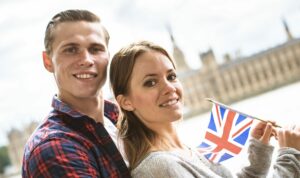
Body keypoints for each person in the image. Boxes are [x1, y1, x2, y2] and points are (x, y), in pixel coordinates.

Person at [109, 40, 300, 178]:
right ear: (126, 102)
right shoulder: (158, 168)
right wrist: (290, 156)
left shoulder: (184, 151)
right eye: (150, 82)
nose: (169, 87)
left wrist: (258, 153)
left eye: (172, 76)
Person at [22, 9, 130, 177]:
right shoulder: (53, 147)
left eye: (95, 49)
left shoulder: (121, 119)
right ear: (48, 61)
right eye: (71, 50)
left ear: (108, 56)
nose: (87, 59)